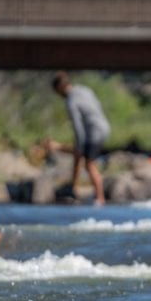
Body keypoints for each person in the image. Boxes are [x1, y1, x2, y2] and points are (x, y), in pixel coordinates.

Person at [49, 71, 110, 206]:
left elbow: (78, 128)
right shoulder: (85, 90)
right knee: (82, 156)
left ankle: (100, 198)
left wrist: (79, 146)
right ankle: (74, 188)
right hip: (104, 126)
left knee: (89, 163)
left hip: (94, 132)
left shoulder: (71, 101)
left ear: (60, 88)